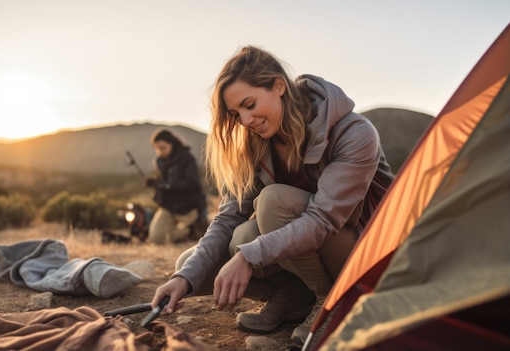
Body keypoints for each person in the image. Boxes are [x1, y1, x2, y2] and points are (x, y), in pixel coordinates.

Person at [150, 46, 394, 345]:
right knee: (205, 256)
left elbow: (323, 220)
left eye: (250, 104)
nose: (246, 120)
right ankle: (294, 297)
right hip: (313, 249)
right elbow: (228, 218)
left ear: (278, 86)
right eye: (236, 114)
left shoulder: (354, 132)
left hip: (366, 252)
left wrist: (250, 257)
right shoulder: (256, 144)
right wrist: (184, 278)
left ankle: (329, 302)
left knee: (271, 204)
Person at [145, 128, 207, 245]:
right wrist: (154, 182)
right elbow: (162, 181)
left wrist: (166, 186)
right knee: (155, 237)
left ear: (172, 144)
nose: (160, 151)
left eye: (163, 147)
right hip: (168, 206)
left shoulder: (187, 158)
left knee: (201, 232)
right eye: (157, 148)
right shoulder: (159, 161)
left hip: (188, 207)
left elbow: (192, 183)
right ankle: (187, 232)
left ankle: (191, 230)